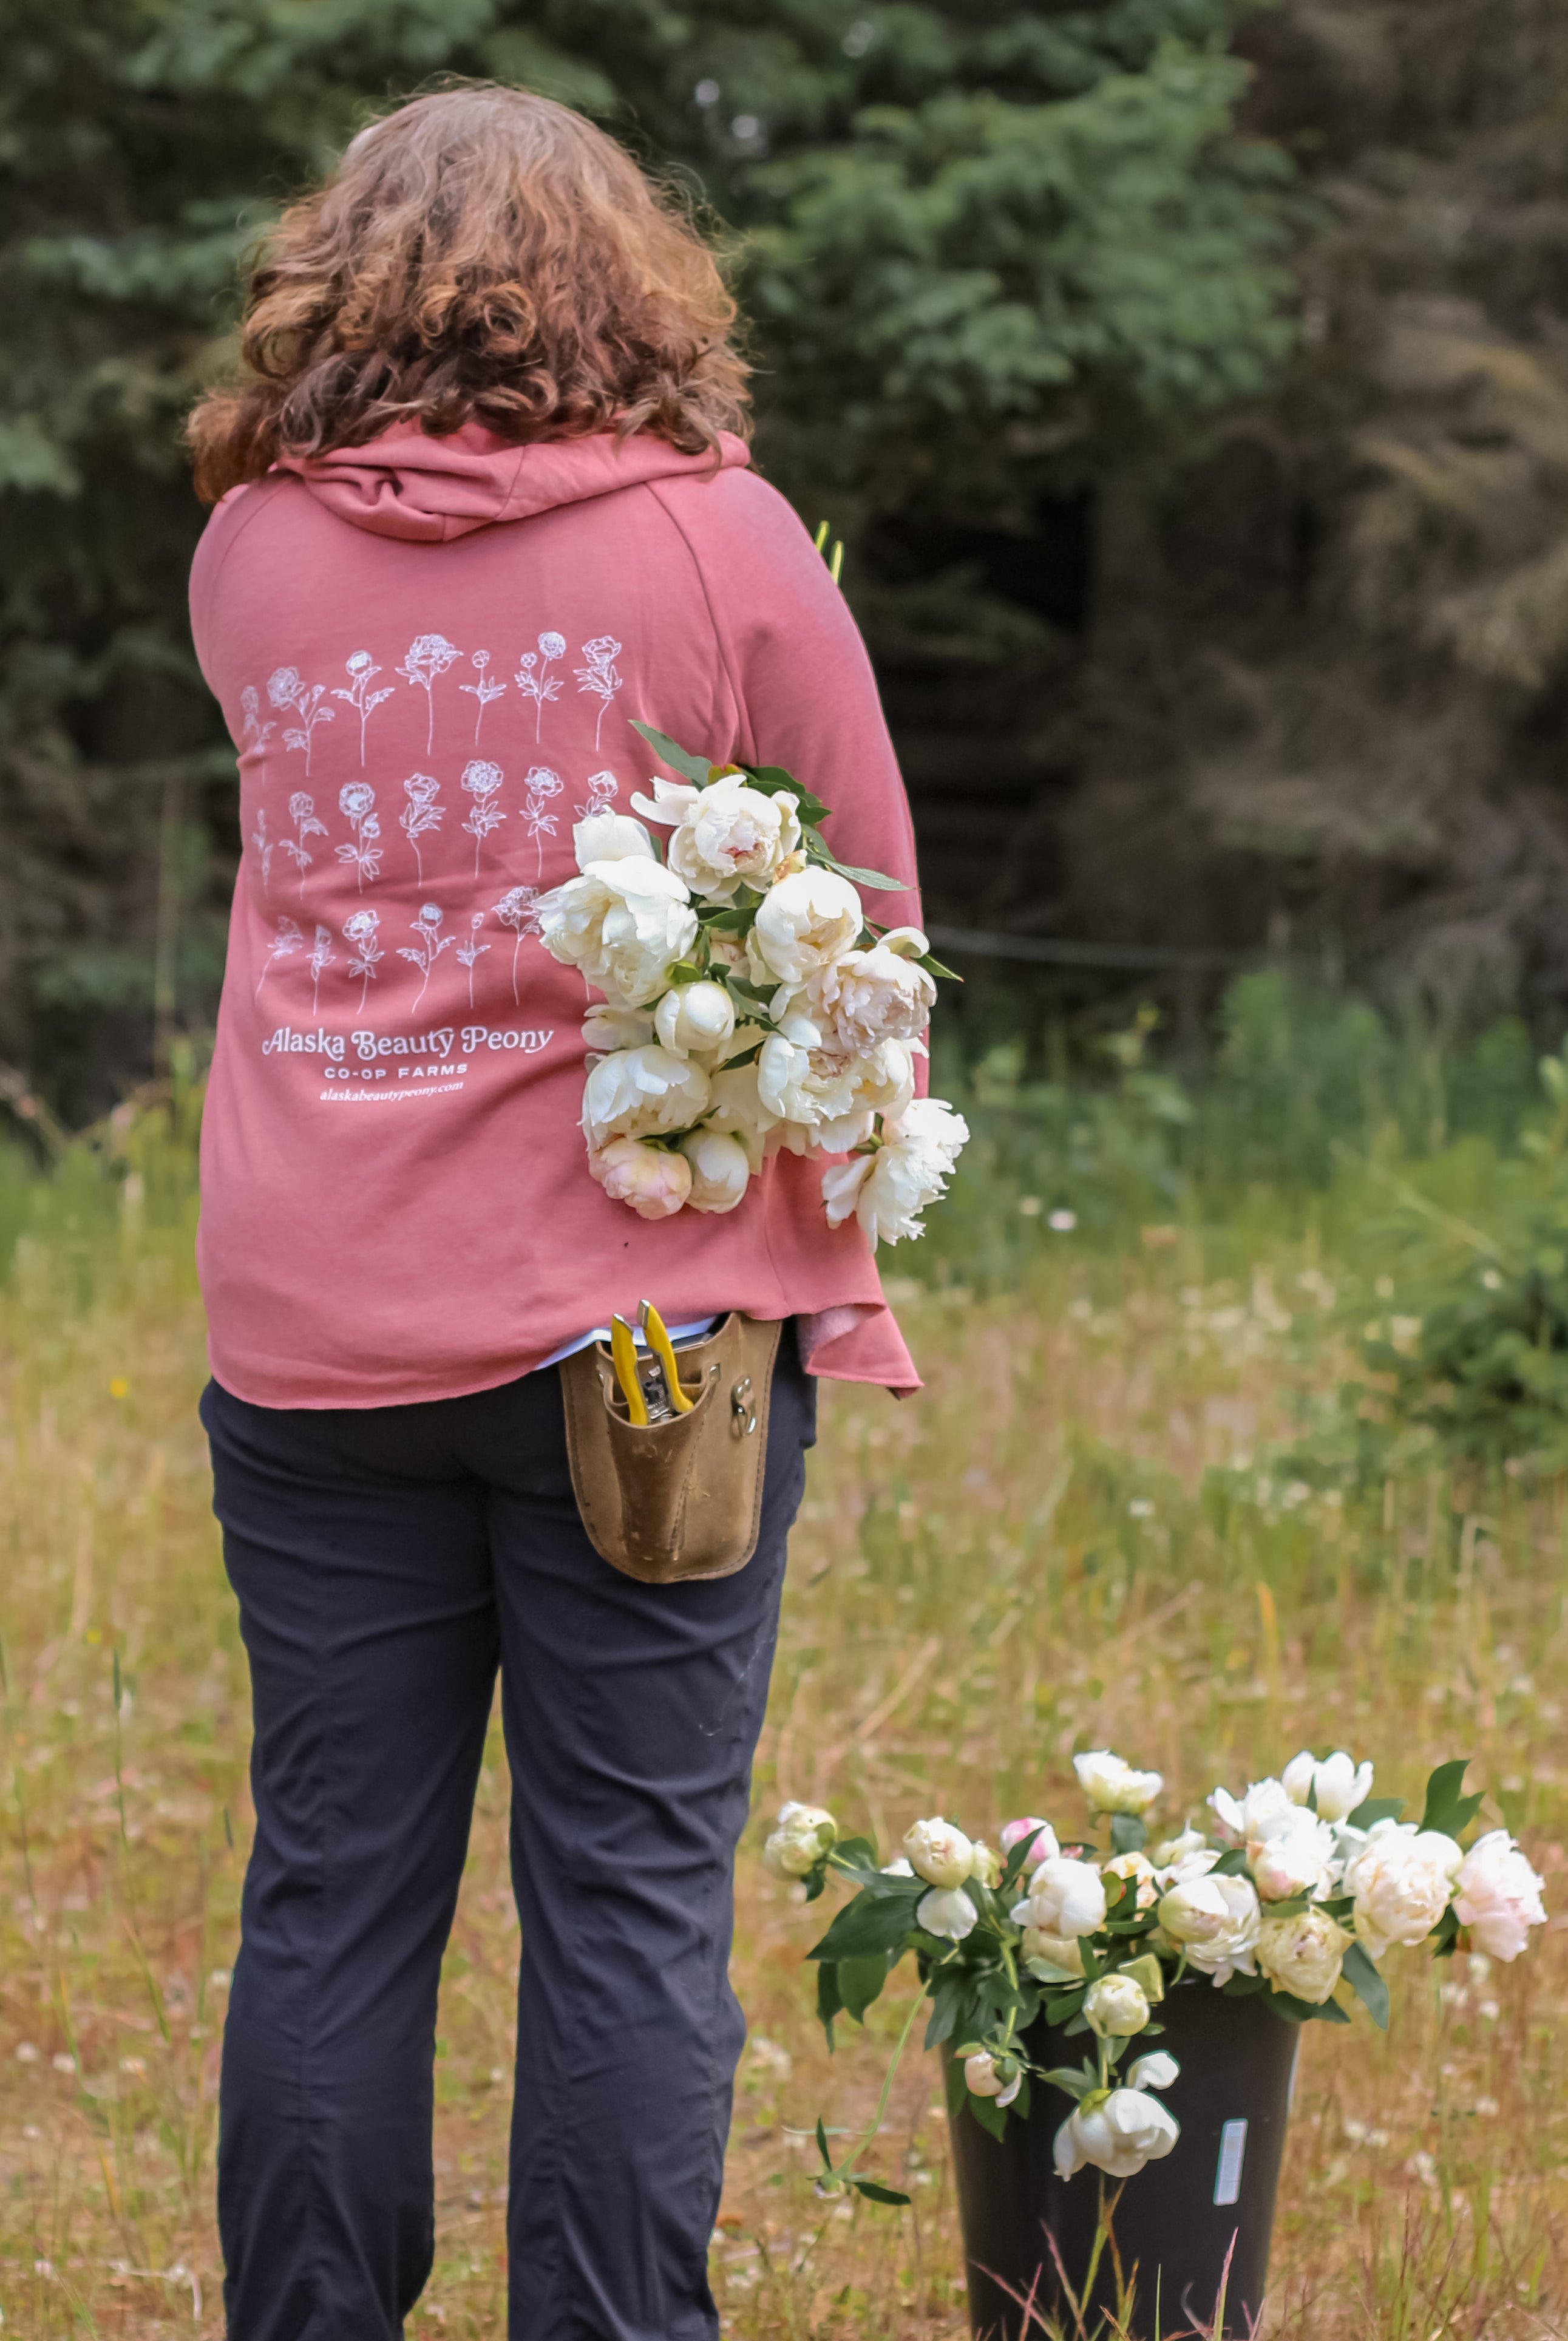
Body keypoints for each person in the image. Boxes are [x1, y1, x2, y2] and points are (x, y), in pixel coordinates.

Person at [186, 83, 923, 2341]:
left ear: (338, 284)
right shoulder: (723, 543)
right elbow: (871, 916)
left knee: (332, 1890)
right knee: (623, 1895)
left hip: (316, 1339)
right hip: (631, 1340)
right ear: (630, 279)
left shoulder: (251, 552)